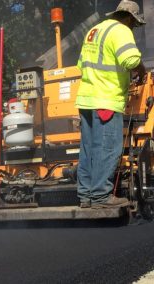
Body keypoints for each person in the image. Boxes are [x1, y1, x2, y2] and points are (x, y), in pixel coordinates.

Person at [75, 0, 146, 209]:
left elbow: (81, 65)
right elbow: (131, 60)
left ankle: (86, 196)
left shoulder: (94, 31)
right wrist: (141, 70)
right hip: (106, 99)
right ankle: (100, 196)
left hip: (86, 100)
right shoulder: (121, 30)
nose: (133, 27)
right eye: (134, 23)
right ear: (128, 18)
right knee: (107, 147)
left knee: (88, 149)